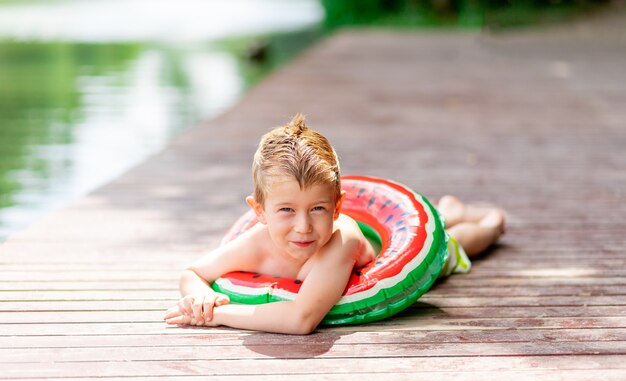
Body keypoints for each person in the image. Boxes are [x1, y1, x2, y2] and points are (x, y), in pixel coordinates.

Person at [163, 114, 505, 334]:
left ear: (338, 207)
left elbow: (301, 319)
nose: (303, 227)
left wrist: (218, 315)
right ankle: (450, 208)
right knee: (446, 217)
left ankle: (490, 224)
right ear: (260, 212)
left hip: (394, 252)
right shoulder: (257, 242)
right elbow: (192, 273)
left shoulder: (337, 243)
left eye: (317, 209)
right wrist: (201, 298)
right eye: (286, 210)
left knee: (453, 245)